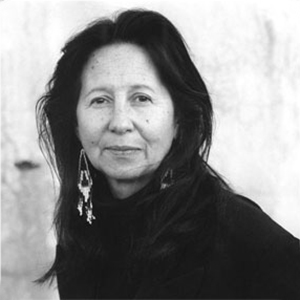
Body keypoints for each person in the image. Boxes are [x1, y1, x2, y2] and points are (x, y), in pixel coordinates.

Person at [36, 9, 300, 299]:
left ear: (179, 119)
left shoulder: (241, 237)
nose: (120, 122)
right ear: (74, 123)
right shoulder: (81, 232)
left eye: (142, 98)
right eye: (100, 100)